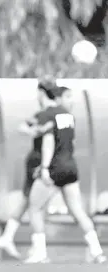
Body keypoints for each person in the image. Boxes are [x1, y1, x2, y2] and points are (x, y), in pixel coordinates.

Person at [24, 85, 107, 264]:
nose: (71, 101)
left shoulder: (47, 114)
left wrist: (45, 168)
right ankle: (97, 251)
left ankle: (40, 253)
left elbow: (48, 141)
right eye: (68, 97)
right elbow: (70, 141)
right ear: (59, 98)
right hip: (70, 167)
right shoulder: (69, 116)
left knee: (35, 208)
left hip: (54, 168)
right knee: (77, 210)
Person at [0, 79, 53, 259]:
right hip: (38, 161)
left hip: (43, 161)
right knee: (35, 203)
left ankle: (7, 236)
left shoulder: (53, 113)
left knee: (29, 199)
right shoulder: (44, 114)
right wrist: (35, 132)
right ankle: (38, 249)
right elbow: (23, 127)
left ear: (42, 93)